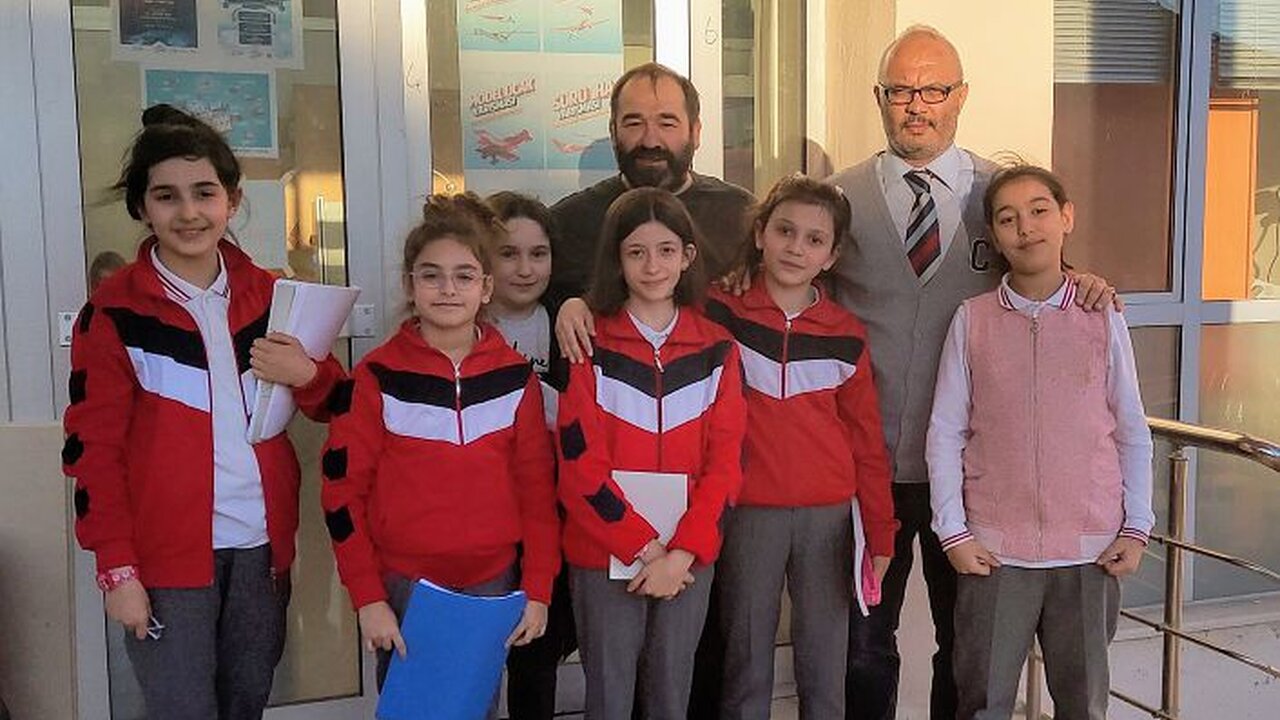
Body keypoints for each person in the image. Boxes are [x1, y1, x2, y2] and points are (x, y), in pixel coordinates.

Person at [825, 26, 1119, 720]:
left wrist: (1088, 282)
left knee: (966, 652)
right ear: (879, 98)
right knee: (862, 646)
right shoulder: (837, 200)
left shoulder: (1002, 197)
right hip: (866, 468)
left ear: (961, 96)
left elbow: (1043, 272)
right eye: (901, 90)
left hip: (973, 478)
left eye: (933, 90)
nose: (916, 104)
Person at [63, 104, 347, 720]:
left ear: (233, 200)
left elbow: (339, 403)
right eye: (166, 196)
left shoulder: (273, 296)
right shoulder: (113, 312)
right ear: (142, 208)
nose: (188, 212)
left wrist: (308, 373)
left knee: (244, 705)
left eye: (204, 193)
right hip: (165, 559)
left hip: (261, 548)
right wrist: (117, 570)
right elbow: (93, 452)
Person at [552, 62, 753, 719]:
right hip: (604, 547)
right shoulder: (592, 345)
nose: (652, 265)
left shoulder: (717, 350)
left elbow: (726, 463)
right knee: (608, 697)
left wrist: (682, 550)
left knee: (673, 695)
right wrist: (644, 547)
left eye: (667, 251)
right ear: (615, 258)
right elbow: (578, 465)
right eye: (636, 252)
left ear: (689, 257)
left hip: (689, 552)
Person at [319, 194, 561, 718]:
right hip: (406, 584)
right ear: (410, 286)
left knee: (477, 708)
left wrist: (538, 588)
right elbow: (341, 496)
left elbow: (538, 493)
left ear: (486, 287)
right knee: (415, 710)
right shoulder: (376, 377)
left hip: (492, 582)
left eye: (464, 276)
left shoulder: (514, 377)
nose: (448, 289)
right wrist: (367, 597)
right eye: (431, 276)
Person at [926, 164, 1153, 720]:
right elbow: (946, 431)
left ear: (1066, 217)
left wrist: (1137, 525)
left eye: (1039, 211)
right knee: (981, 701)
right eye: (1008, 218)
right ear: (994, 236)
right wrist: (953, 531)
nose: (1026, 227)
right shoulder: (972, 320)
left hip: (1090, 550)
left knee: (1083, 704)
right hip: (994, 553)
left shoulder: (1101, 315)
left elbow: (1131, 427)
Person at [704, 174, 898, 720]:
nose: (796, 247)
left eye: (814, 240)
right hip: (747, 511)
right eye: (784, 231)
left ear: (831, 257)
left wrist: (880, 531)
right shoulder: (720, 311)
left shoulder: (845, 332)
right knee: (745, 660)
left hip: (829, 518)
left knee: (824, 663)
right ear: (760, 234)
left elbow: (866, 441)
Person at [484, 190, 576, 720]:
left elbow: (583, 418)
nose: (524, 269)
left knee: (537, 650)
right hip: (485, 512)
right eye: (508, 253)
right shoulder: (462, 321)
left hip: (552, 509)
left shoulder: (568, 321)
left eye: (537, 254)